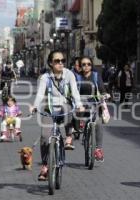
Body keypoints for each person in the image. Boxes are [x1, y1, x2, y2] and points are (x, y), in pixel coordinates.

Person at [30, 50, 84, 181]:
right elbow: (40, 94)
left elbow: (75, 92)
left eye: (63, 61)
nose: (61, 63)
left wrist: (79, 105)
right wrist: (35, 106)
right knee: (44, 136)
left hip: (65, 107)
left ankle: (69, 135)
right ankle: (45, 166)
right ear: (50, 63)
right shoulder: (45, 78)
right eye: (57, 61)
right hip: (50, 109)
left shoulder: (69, 74)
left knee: (68, 109)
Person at [75, 56, 109, 162]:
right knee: (77, 113)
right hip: (81, 103)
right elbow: (73, 90)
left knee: (98, 123)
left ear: (91, 65)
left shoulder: (95, 75)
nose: (86, 66)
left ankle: (98, 149)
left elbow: (102, 87)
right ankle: (80, 125)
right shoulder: (77, 77)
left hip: (94, 103)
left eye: (88, 64)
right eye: (84, 64)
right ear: (80, 66)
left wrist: (105, 94)